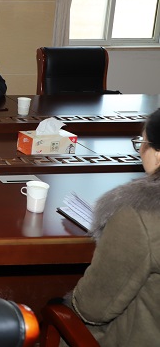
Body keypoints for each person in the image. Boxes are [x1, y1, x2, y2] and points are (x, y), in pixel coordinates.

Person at [62, 109, 160, 346]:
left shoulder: (139, 215)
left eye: (142, 142)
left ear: (158, 155)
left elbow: (92, 308)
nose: (140, 150)